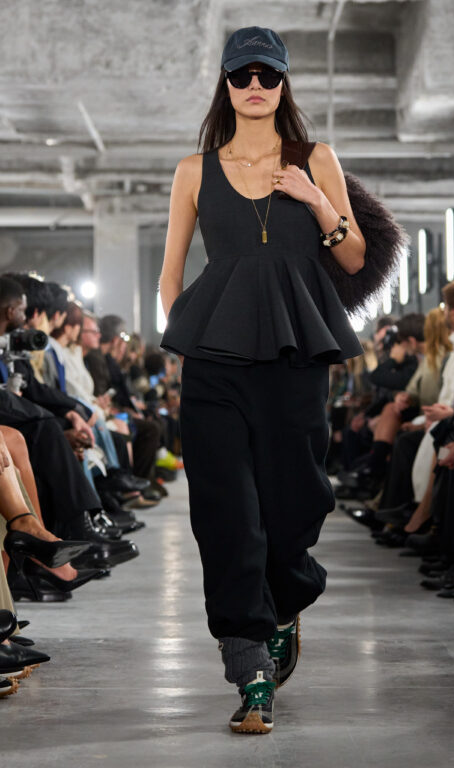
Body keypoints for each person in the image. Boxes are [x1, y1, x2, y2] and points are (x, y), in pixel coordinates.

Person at [159, 26, 366, 734]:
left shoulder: (316, 158)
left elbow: (352, 256)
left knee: (292, 504)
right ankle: (248, 664)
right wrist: (189, 337)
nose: (255, 85)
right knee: (226, 514)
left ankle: (284, 602)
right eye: (242, 73)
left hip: (296, 357)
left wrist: (315, 199)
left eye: (267, 74)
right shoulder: (194, 170)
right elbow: (171, 275)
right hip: (213, 364)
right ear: (225, 82)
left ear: (283, 83)